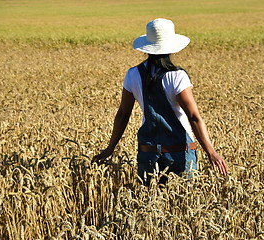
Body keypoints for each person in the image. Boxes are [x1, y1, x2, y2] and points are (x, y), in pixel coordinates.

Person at [92, 18, 228, 184]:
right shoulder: (177, 76)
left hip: (148, 155)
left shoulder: (132, 74)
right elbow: (193, 116)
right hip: (180, 154)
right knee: (181, 206)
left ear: (147, 46)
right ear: (171, 47)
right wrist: (211, 152)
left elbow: (122, 115)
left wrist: (110, 148)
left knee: (148, 203)